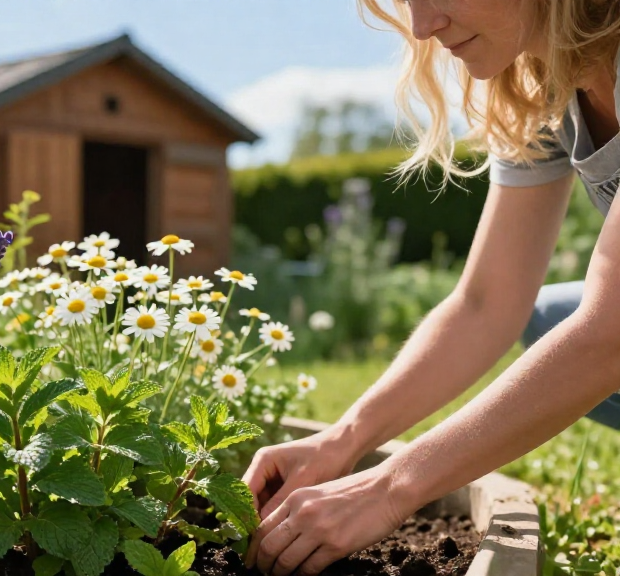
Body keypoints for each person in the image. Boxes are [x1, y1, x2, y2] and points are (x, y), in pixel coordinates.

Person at [242, 1, 620, 574]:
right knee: (547, 317)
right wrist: (342, 442)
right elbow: (486, 303)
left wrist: (388, 489)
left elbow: (610, 334)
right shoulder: (547, 84)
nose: (422, 27)